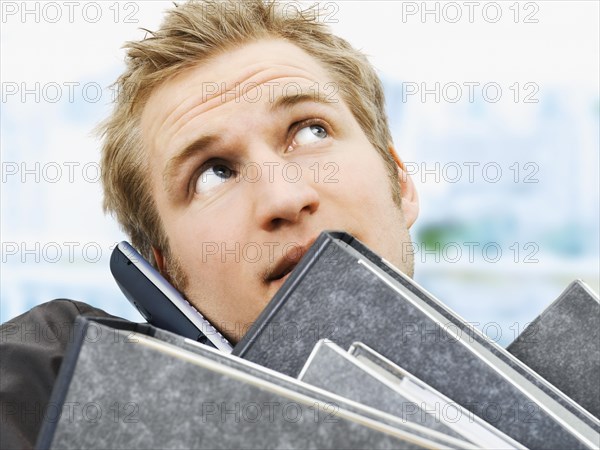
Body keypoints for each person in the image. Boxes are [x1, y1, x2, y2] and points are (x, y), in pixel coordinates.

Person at [0, 1, 418, 448]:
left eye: (311, 131)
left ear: (400, 180)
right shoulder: (55, 385)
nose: (285, 197)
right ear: (167, 277)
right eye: (213, 173)